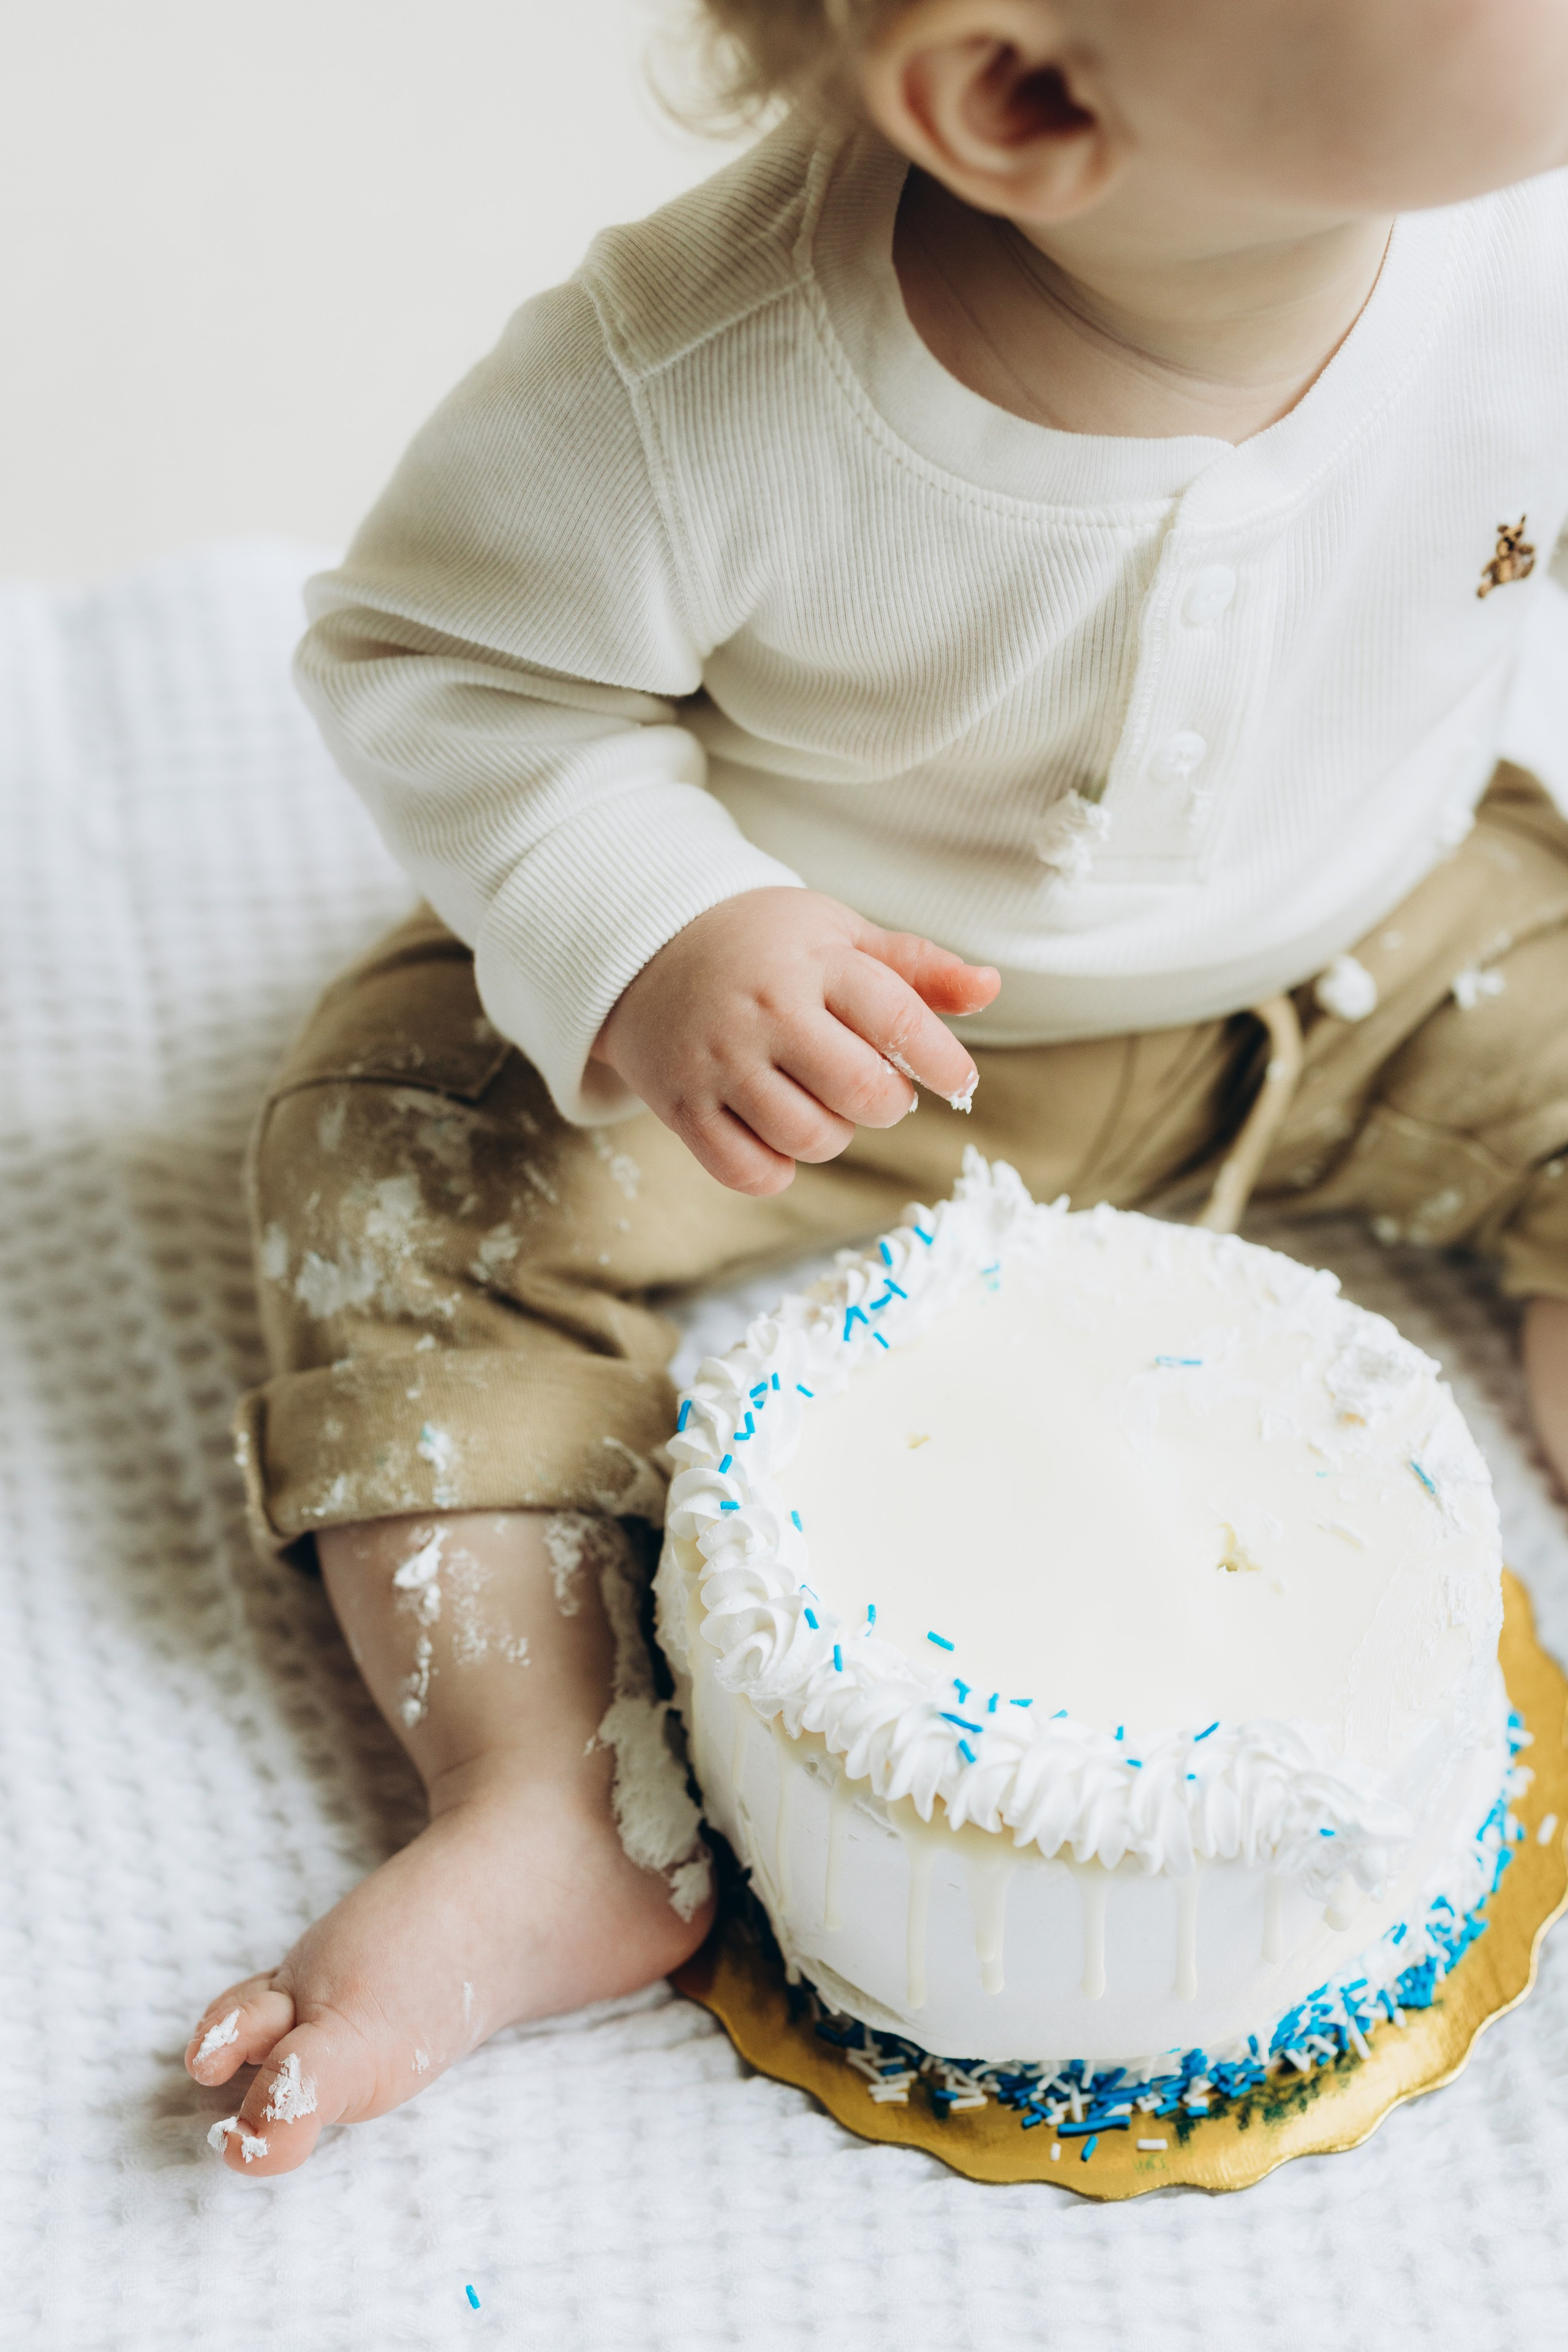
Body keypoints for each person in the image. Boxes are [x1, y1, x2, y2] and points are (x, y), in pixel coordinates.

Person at [189, 0, 1568, 2171]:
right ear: (1022, 94)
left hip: (1374, 953)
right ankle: (551, 1795)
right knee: (403, 1175)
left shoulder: (1530, 228)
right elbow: (437, 656)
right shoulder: (696, 382)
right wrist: (661, 928)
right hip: (823, 1056)